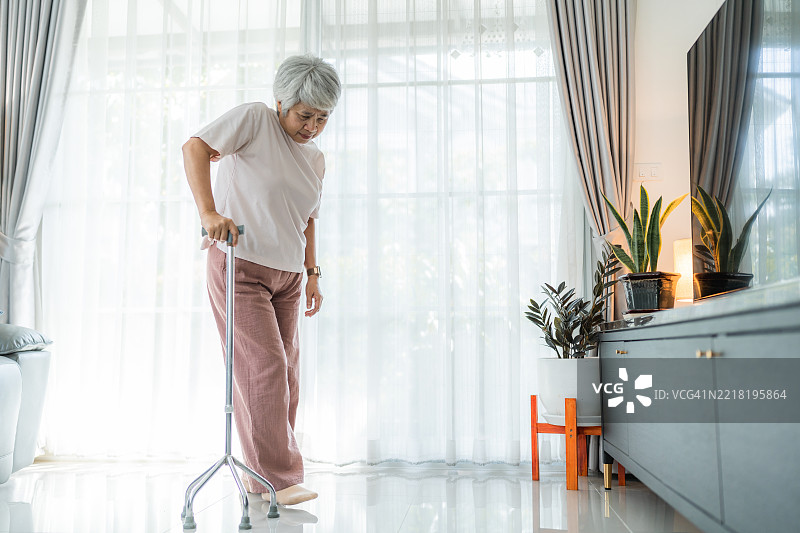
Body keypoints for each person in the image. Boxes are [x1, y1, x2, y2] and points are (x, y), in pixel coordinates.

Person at [182, 55, 341, 506]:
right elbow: (194, 147)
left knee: (287, 375)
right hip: (241, 264)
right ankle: (276, 481)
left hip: (290, 275)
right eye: (304, 114)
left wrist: (312, 273)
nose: (312, 126)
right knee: (263, 369)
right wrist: (209, 213)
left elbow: (307, 219)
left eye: (322, 117)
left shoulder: (315, 159)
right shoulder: (255, 120)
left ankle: (266, 475)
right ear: (280, 103)